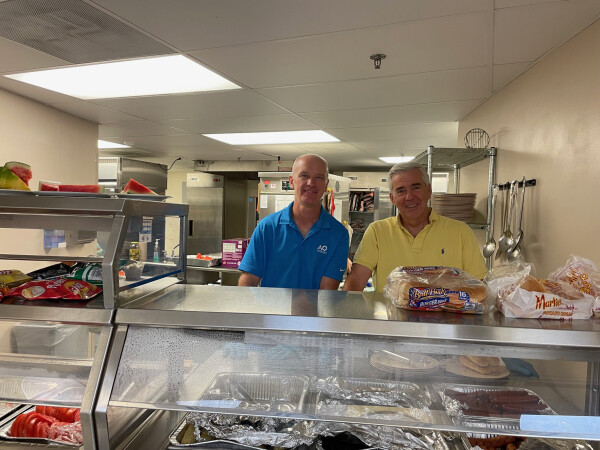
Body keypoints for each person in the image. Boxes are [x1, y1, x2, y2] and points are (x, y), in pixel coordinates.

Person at [343, 161, 486, 292]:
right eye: (401, 190)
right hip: (389, 319)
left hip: (446, 319)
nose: (409, 196)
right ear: (392, 198)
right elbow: (356, 280)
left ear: (429, 191)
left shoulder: (460, 232)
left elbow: (478, 285)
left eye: (416, 187)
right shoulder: (377, 231)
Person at [238, 154, 349, 290]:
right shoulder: (267, 228)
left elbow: (326, 294)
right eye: (304, 176)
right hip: (270, 311)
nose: (311, 183)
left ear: (326, 185)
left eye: (319, 177)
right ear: (291, 181)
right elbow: (247, 284)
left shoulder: (338, 235)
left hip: (315, 311)